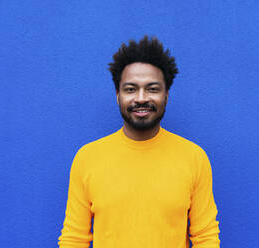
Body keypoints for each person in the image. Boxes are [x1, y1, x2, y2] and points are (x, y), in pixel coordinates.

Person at [58, 35, 220, 248]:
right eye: (131, 89)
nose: (141, 98)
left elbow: (205, 237)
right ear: (118, 95)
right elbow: (74, 239)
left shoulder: (194, 157)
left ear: (166, 95)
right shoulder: (87, 158)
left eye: (152, 89)